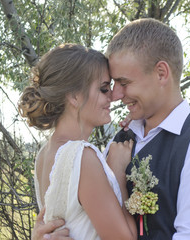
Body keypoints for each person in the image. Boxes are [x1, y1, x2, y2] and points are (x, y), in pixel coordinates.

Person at [33, 18, 190, 240]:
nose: (116, 95)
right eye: (109, 86)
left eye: (124, 83)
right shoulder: (118, 141)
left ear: (161, 73)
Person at [19, 43, 137, 240]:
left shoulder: (44, 154)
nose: (112, 97)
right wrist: (117, 171)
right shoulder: (81, 156)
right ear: (74, 96)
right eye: (103, 89)